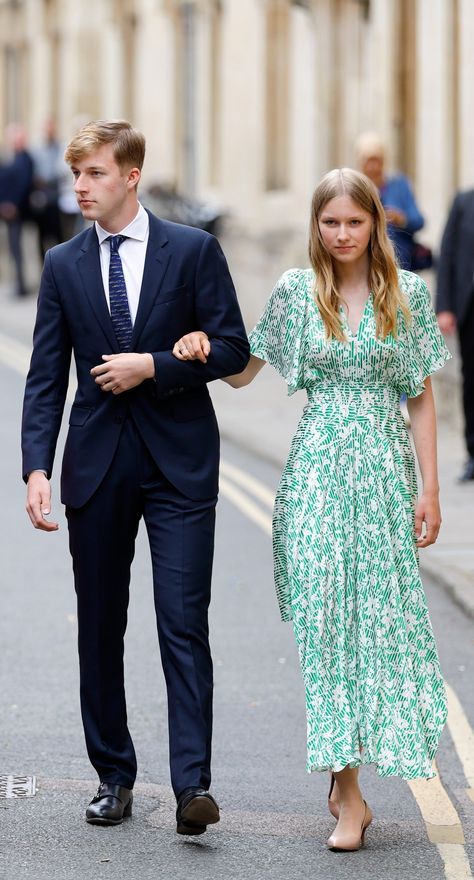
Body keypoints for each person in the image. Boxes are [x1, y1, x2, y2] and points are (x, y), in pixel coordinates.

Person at [172, 168, 450, 852]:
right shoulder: (299, 293)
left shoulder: (405, 295)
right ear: (315, 227)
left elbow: (419, 395)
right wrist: (203, 346)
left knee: (377, 630)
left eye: (356, 221)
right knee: (327, 631)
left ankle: (351, 778)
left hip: (384, 480)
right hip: (318, 478)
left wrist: (431, 489)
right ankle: (349, 796)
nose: (344, 234)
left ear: (376, 224)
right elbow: (246, 369)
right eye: (331, 222)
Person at [21, 120, 249, 833]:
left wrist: (155, 365)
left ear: (129, 176)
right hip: (95, 466)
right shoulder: (62, 264)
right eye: (75, 175)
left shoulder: (193, 251)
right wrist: (36, 466)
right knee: (100, 627)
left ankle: (191, 788)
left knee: (183, 624)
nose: (79, 187)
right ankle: (113, 777)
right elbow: (44, 378)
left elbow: (234, 349)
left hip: (179, 464)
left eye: (92, 174)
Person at [436, 188, 474, 482]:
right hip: (469, 308)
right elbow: (447, 255)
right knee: (471, 382)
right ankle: (473, 454)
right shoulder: (463, 202)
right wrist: (445, 307)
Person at [355, 132, 424, 270]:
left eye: (377, 161)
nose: (373, 167)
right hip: (364, 264)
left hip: (399, 263)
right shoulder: (354, 189)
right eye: (368, 161)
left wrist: (401, 219)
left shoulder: (399, 186)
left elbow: (419, 221)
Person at [0, 123, 34, 297]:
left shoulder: (25, 158)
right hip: (5, 209)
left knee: (17, 249)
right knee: (11, 249)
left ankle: (21, 286)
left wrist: (12, 204)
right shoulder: (10, 157)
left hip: (17, 211)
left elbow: (23, 184)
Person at [31, 119, 62, 258]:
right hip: (42, 200)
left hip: (57, 199)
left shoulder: (61, 148)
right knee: (41, 237)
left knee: (59, 237)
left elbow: (60, 170)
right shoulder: (37, 150)